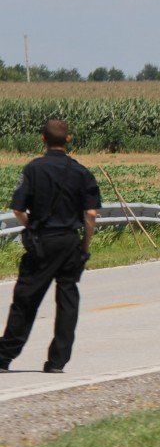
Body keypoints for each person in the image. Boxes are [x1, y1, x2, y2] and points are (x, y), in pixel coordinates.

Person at [0, 119, 100, 374]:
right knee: (67, 299)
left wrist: (31, 226)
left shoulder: (34, 169)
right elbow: (90, 215)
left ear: (42, 139)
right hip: (69, 240)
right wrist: (84, 246)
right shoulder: (81, 172)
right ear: (68, 140)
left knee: (26, 299)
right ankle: (57, 361)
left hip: (42, 240)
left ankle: (5, 355)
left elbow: (17, 209)